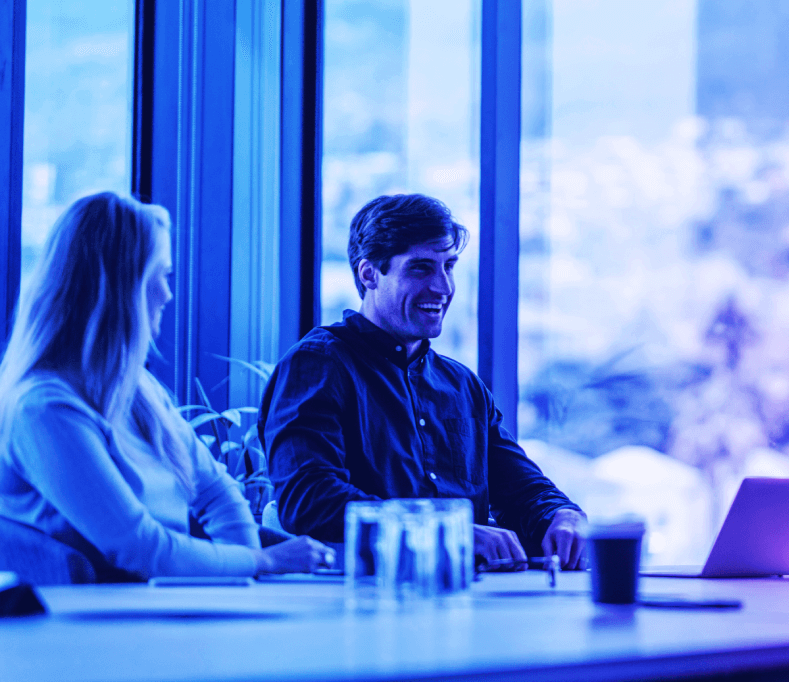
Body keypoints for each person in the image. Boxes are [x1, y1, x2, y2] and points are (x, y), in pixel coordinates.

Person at [0, 192, 332, 579]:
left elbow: (215, 492)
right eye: (160, 275)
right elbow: (139, 548)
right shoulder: (44, 409)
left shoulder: (137, 388)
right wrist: (263, 562)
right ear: (122, 288)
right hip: (91, 624)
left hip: (154, 605)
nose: (168, 294)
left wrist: (243, 572)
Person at [260, 194, 587, 569]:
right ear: (369, 274)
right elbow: (308, 500)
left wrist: (562, 515)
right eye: (420, 269)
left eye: (449, 267)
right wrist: (446, 530)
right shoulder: (318, 365)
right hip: (361, 603)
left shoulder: (463, 385)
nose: (443, 287)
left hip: (471, 601)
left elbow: (521, 488)